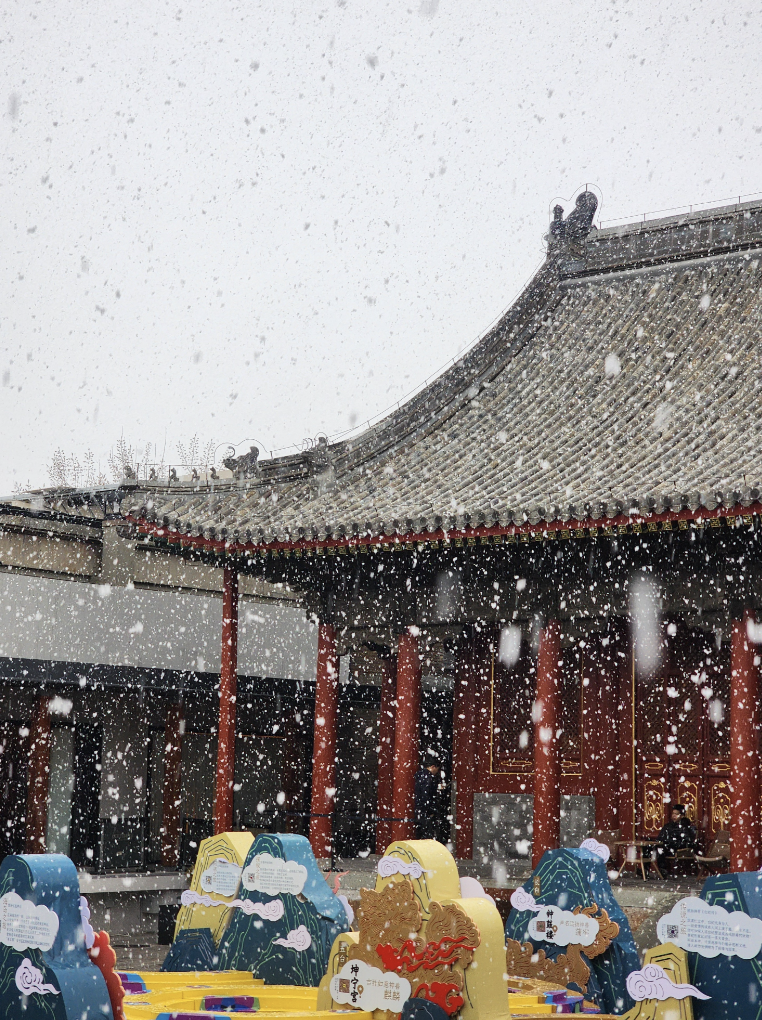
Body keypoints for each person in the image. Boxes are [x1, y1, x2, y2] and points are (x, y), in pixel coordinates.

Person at [653, 804, 697, 877]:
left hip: (677, 848)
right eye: (673, 813)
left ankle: (662, 869)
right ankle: (645, 869)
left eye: (676, 814)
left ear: (682, 816)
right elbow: (660, 837)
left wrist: (672, 842)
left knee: (660, 848)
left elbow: (688, 841)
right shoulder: (668, 826)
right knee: (648, 847)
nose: (674, 816)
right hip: (666, 846)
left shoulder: (685, 826)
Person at [414, 759, 440, 839]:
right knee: (427, 834)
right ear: (433, 767)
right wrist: (431, 810)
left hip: (419, 810)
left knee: (420, 834)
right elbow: (426, 795)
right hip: (425, 812)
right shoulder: (428, 778)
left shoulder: (419, 776)